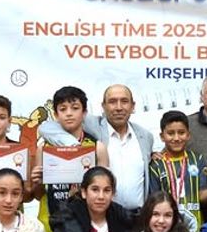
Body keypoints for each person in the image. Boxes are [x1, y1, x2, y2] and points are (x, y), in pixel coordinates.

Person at [40, 84, 154, 215]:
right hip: (106, 215)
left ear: (133, 106)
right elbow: (46, 127)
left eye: (124, 101)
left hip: (139, 216)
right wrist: (73, 145)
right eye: (112, 102)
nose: (118, 107)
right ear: (103, 106)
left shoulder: (145, 136)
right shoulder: (92, 125)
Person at [33, 85, 110, 232]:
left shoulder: (97, 147)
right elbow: (37, 194)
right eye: (63, 109)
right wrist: (38, 182)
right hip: (50, 227)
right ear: (56, 114)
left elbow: (106, 191)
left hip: (87, 226)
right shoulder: (43, 148)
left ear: (84, 112)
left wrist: (83, 191)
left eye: (75, 108)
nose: (69, 113)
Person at [148, 110, 205, 232]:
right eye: (170, 133)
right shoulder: (156, 165)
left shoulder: (198, 160)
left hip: (196, 227)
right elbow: (154, 202)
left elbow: (202, 195)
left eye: (181, 133)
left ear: (188, 135)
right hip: (166, 228)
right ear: (162, 136)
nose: (176, 138)